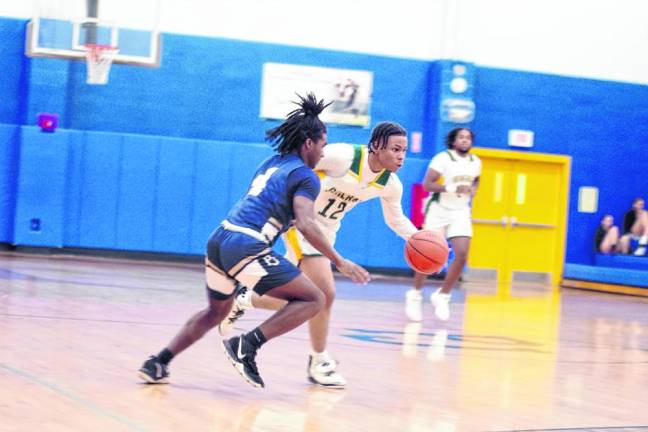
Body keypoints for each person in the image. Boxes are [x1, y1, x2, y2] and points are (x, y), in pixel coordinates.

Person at [137, 93, 370, 388]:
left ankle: (158, 362)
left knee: (215, 312)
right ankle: (247, 345)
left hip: (219, 239)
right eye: (322, 145)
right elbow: (306, 222)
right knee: (314, 298)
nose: (324, 153)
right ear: (308, 143)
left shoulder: (271, 163)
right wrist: (340, 261)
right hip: (246, 244)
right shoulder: (307, 176)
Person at [219, 121, 418, 388]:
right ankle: (319, 361)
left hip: (327, 233)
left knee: (301, 300)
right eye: (396, 149)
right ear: (377, 145)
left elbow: (396, 220)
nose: (401, 156)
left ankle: (244, 299)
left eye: (404, 151)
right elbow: (295, 165)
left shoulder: (390, 185)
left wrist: (419, 238)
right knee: (324, 293)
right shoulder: (342, 157)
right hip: (302, 224)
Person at [406, 127, 481, 322]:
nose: (465, 140)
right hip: (439, 210)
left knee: (462, 254)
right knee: (428, 256)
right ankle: (415, 293)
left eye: (468, 137)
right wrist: (451, 187)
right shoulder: (443, 158)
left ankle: (443, 295)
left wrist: (472, 189)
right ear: (453, 141)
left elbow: (476, 181)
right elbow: (427, 184)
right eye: (461, 137)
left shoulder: (476, 162)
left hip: (460, 211)